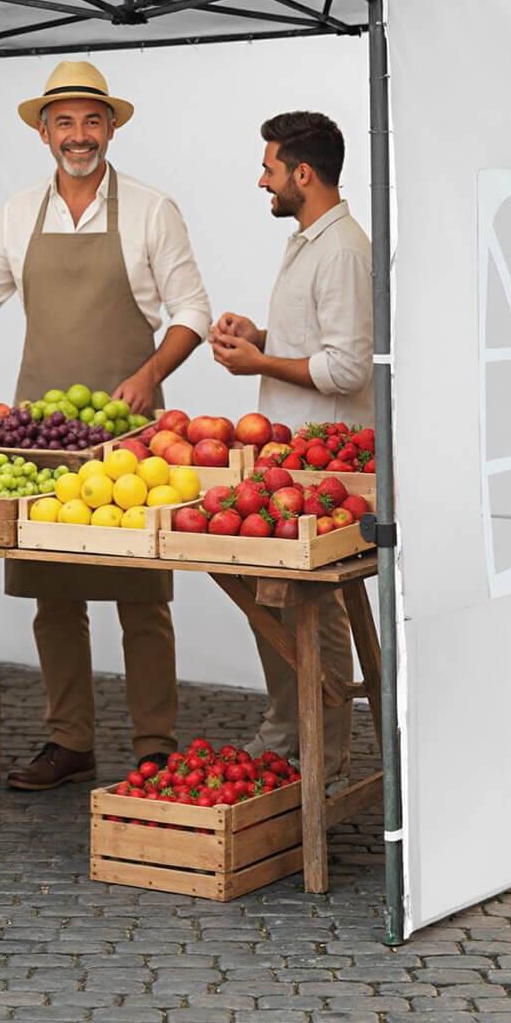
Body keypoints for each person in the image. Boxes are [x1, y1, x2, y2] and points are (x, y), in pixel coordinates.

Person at [0, 60, 212, 790]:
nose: (78, 136)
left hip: (127, 432)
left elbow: (193, 313)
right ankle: (68, 740)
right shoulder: (20, 212)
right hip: (38, 433)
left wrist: (149, 376)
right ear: (44, 132)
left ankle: (155, 745)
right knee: (54, 594)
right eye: (64, 122)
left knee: (143, 597)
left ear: (110, 128)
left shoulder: (152, 209)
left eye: (91, 121)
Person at [211, 112, 374, 783]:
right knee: (273, 602)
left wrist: (259, 364)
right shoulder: (312, 241)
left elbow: (347, 368)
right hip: (291, 462)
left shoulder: (340, 251)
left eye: (270, 168)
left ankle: (322, 752)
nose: (262, 180)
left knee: (314, 610)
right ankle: (288, 732)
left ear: (303, 175)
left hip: (323, 469)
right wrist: (263, 335)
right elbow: (316, 338)